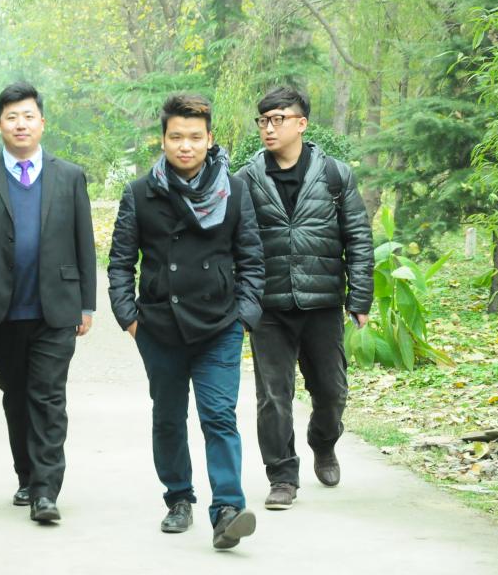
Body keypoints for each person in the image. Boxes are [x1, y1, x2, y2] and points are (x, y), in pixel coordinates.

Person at [107, 93, 264, 550]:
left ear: (210, 139)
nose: (186, 146)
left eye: (195, 137)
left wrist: (244, 316)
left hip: (220, 325)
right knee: (169, 418)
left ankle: (228, 509)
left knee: (219, 415)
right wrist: (129, 317)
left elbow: (251, 259)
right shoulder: (140, 193)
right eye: (176, 137)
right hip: (160, 327)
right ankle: (178, 498)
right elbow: (120, 263)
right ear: (163, 140)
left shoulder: (235, 190)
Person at [0, 81, 96, 524]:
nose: (21, 124)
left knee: (48, 397)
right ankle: (27, 475)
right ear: (0, 124)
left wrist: (87, 305)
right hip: (2, 308)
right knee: (16, 396)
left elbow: (84, 241)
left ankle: (45, 490)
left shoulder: (69, 175)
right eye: (12, 117)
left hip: (56, 308)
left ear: (42, 122)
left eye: (28, 116)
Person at [234, 86, 374, 510]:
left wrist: (360, 297)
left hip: (322, 302)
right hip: (269, 306)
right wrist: (240, 301)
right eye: (263, 120)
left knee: (332, 391)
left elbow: (358, 236)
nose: (269, 128)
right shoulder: (246, 179)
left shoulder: (334, 174)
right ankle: (282, 476)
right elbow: (234, 242)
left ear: (301, 123)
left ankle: (323, 441)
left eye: (278, 119)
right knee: (273, 397)